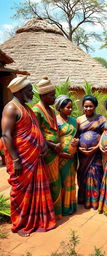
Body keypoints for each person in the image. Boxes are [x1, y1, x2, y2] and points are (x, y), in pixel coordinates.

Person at [1, 76, 56, 236]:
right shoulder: (11, 109)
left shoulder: (26, 108)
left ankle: (37, 220)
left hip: (35, 159)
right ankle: (21, 224)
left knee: (34, 191)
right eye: (29, 90)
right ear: (20, 91)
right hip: (22, 160)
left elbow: (35, 129)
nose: (32, 93)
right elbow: (6, 135)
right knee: (21, 192)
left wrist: (43, 145)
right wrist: (16, 160)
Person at [33, 77, 62, 219]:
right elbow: (37, 134)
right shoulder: (37, 111)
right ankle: (49, 214)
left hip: (55, 152)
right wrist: (53, 145)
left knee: (56, 182)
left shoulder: (50, 110)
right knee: (50, 183)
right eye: (52, 95)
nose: (54, 97)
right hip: (47, 152)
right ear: (43, 95)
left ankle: (56, 212)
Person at [77, 95, 106, 210]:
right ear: (83, 107)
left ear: (95, 107)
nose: (88, 109)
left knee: (96, 173)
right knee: (83, 175)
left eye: (91, 106)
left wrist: (97, 147)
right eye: (86, 106)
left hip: (96, 153)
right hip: (83, 155)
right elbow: (76, 136)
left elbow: (105, 134)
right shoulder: (79, 119)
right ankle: (83, 199)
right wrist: (79, 148)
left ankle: (95, 201)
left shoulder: (101, 119)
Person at [55, 95, 79, 216]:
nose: (70, 110)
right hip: (59, 157)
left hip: (71, 158)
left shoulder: (74, 121)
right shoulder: (55, 121)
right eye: (67, 107)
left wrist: (76, 141)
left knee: (70, 180)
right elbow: (53, 139)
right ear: (60, 107)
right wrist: (61, 153)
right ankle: (60, 208)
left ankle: (69, 205)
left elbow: (76, 136)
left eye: (71, 107)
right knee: (60, 181)